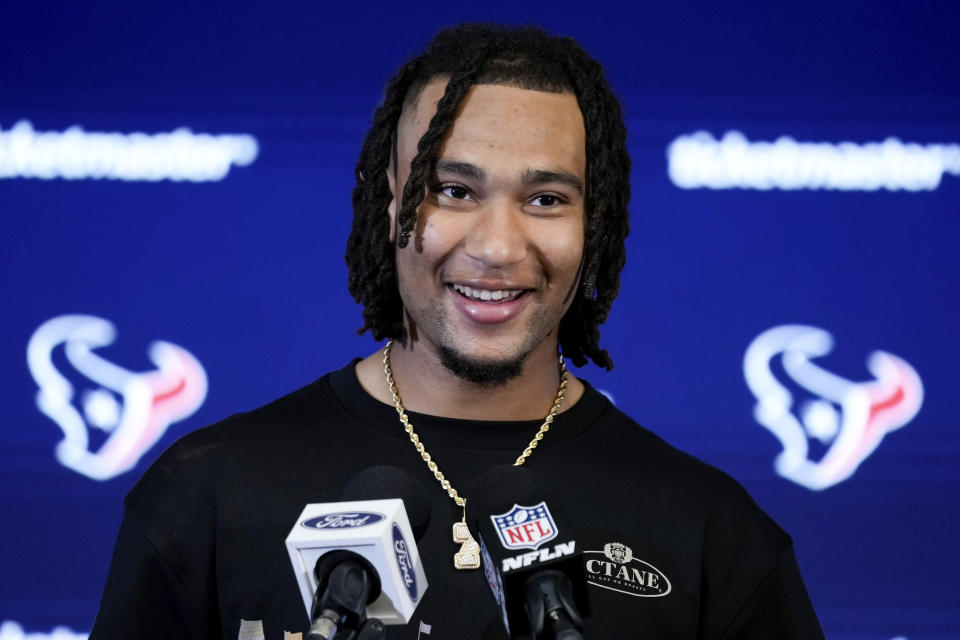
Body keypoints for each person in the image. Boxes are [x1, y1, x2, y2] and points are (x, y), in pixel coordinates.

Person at [90, 23, 824, 640]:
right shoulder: (208, 493)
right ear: (389, 206)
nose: (499, 246)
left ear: (591, 225)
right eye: (453, 189)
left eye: (545, 197)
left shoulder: (710, 531)